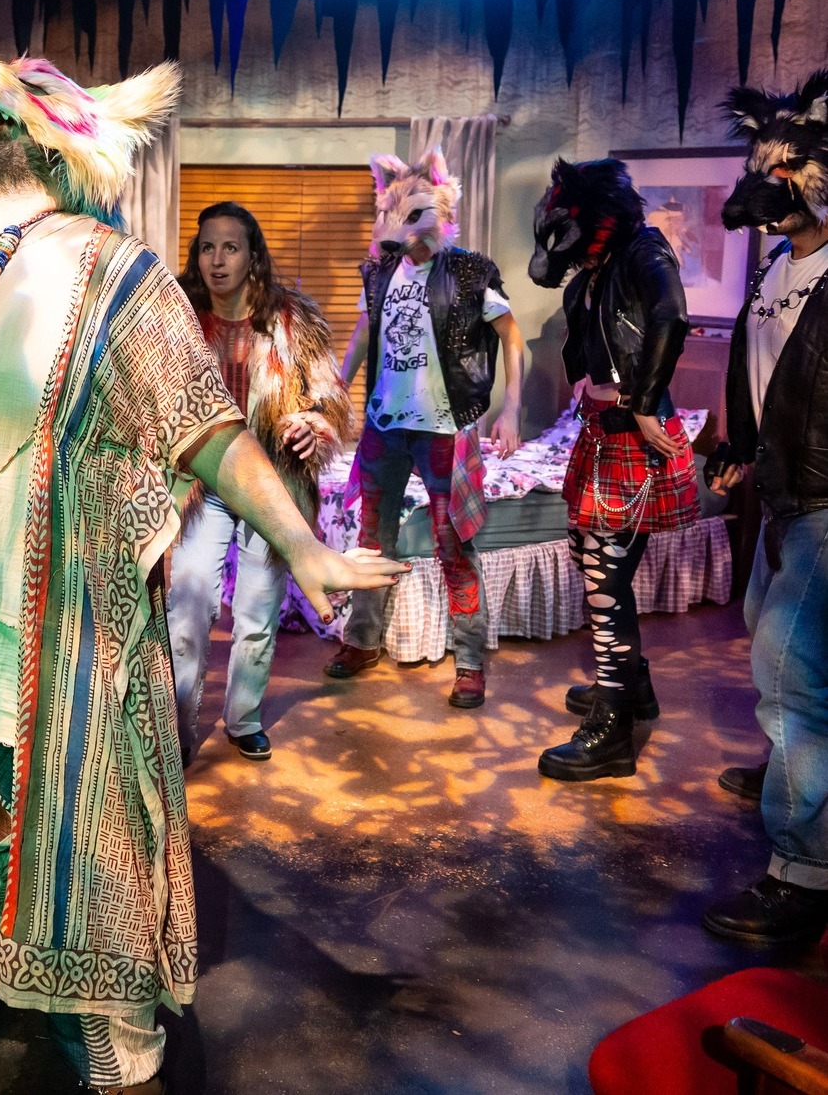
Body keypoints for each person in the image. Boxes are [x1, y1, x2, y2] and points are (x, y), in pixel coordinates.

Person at [0, 49, 405, 1095]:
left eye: (21, 96)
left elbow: (201, 424)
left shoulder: (112, 272)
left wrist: (299, 541)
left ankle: (115, 1037)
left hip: (49, 632)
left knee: (71, 838)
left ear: (66, 136)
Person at [322, 147, 524, 709]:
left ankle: (470, 662)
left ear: (444, 208)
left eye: (415, 214)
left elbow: (512, 336)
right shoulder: (379, 272)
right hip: (385, 426)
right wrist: (336, 391)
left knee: (454, 544)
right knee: (370, 541)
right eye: (390, 213)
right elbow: (365, 332)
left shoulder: (470, 272)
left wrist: (511, 409)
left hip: (444, 428)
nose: (400, 228)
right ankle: (362, 641)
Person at [702, 70, 828, 944]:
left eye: (789, 169)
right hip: (782, 490)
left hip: (824, 495)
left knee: (788, 669)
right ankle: (797, 764)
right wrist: (736, 447)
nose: (771, 185)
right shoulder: (777, 267)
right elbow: (766, 371)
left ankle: (803, 874)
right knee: (772, 640)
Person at [528, 157, 699, 781]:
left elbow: (671, 316)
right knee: (591, 559)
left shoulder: (643, 251)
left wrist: (646, 400)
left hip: (632, 431)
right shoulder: (599, 269)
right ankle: (629, 684)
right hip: (602, 431)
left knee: (606, 581)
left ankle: (614, 732)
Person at [167, 202, 353, 763]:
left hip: (273, 481)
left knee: (257, 611)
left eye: (230, 247)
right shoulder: (177, 315)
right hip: (202, 483)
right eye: (207, 247)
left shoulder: (292, 319)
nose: (217, 260)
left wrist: (313, 425)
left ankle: (243, 718)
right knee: (189, 602)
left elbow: (329, 400)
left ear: (253, 256)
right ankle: (176, 728)